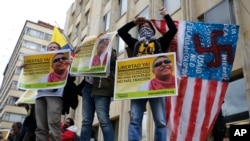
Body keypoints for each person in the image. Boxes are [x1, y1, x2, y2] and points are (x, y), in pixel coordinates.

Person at [117, 7, 177, 141]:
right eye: (142, 27)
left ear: (152, 29)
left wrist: (165, 15)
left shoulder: (160, 42)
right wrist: (134, 22)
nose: (145, 28)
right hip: (139, 86)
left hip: (158, 86)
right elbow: (121, 32)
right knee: (134, 119)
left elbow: (173, 30)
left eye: (147, 26)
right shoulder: (135, 44)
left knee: (160, 121)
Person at [79, 43, 117, 141]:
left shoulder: (110, 53)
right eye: (99, 42)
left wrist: (107, 49)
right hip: (88, 88)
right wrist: (77, 54)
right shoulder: (91, 54)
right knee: (86, 121)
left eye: (104, 42)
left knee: (103, 119)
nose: (101, 44)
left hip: (102, 88)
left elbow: (113, 60)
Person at [35, 42, 67, 141]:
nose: (52, 48)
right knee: (40, 126)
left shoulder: (65, 61)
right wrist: (25, 66)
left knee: (53, 124)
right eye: (50, 47)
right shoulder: (41, 62)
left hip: (55, 95)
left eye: (54, 47)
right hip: (40, 95)